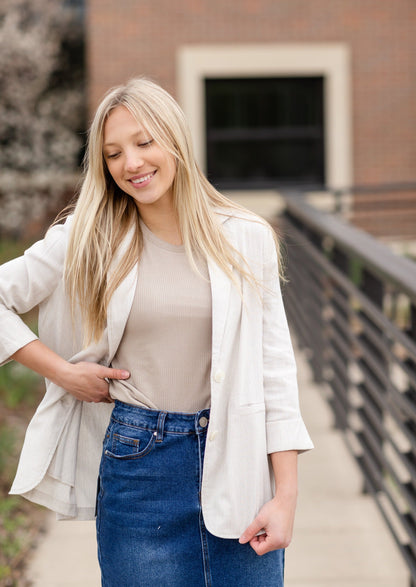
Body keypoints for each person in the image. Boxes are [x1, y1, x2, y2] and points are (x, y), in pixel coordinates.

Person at [0, 78, 313, 586]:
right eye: (114, 153)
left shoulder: (246, 237)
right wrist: (62, 372)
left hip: (239, 460)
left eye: (144, 142)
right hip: (139, 465)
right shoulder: (89, 236)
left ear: (176, 140)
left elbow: (274, 372)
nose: (132, 163)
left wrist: (285, 496)